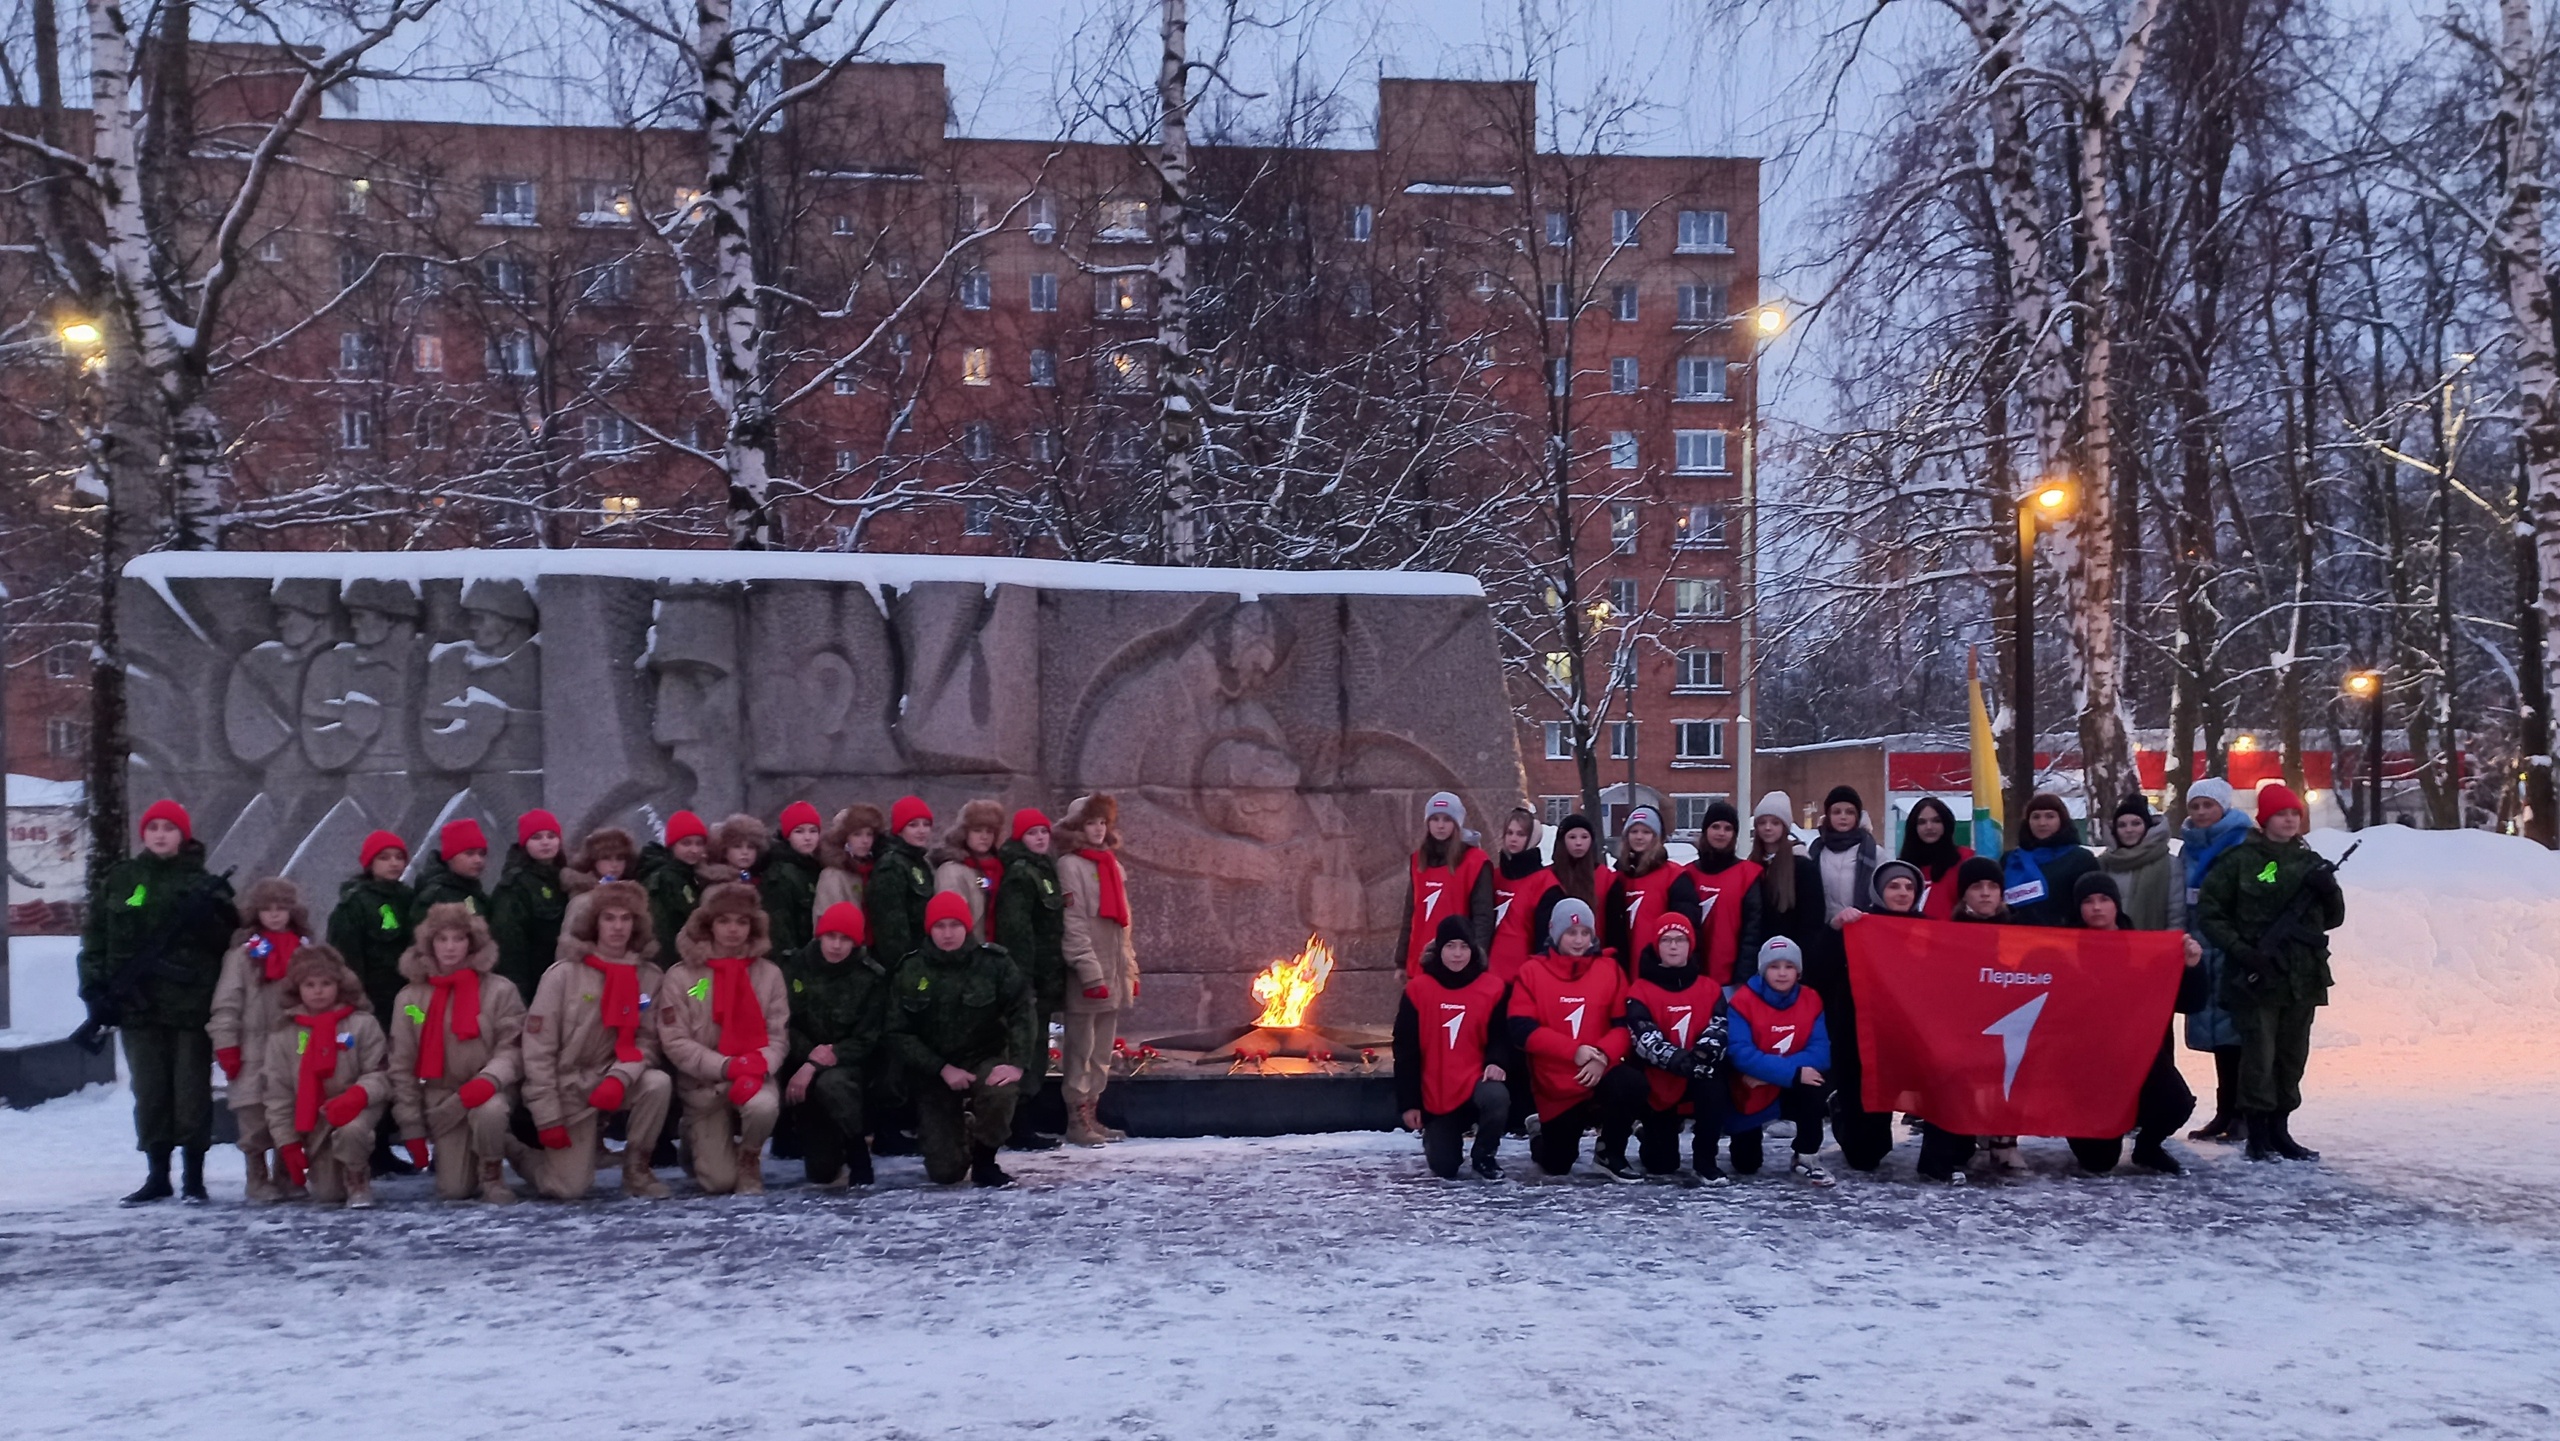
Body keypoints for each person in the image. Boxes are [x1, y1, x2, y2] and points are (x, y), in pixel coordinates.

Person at [84, 799, 238, 1206]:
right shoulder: (121, 880)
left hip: (190, 1006)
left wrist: (208, 920)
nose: (160, 834)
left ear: (182, 835)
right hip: (139, 1007)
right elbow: (95, 939)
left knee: (191, 1093)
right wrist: (94, 992)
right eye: (154, 827)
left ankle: (193, 1178)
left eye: (170, 828)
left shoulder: (207, 884)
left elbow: (229, 943)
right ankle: (157, 1176)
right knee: (150, 1092)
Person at [2197, 782, 2344, 1164]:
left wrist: (2328, 890)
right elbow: (2211, 913)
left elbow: (2333, 919)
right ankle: (2257, 1133)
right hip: (2256, 976)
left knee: (2292, 1055)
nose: (2290, 820)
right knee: (2258, 1056)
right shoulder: (2238, 861)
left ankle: (2282, 1129)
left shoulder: (2311, 862)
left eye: (2294, 814)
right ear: (2265, 820)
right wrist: (2243, 952)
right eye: (2282, 814)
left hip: (2302, 977)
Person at [518, 879, 672, 1201]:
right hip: (569, 1087)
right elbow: (538, 1051)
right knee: (567, 1189)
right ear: (594, 923)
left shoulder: (649, 978)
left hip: (617, 1077)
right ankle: (520, 1155)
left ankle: (637, 1168)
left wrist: (619, 1077)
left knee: (657, 1084)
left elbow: (648, 1042)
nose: (618, 927)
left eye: (626, 918)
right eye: (609, 918)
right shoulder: (562, 974)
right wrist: (547, 1116)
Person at [883, 890, 1043, 1187]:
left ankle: (985, 1159)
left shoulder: (993, 963)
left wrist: (1017, 1063)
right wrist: (941, 1068)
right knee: (946, 1174)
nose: (947, 934)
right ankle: (963, 1129)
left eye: (954, 925)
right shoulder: (911, 969)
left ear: (966, 927)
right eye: (939, 926)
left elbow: (1023, 1011)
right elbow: (897, 1031)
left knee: (1002, 1089)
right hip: (934, 1070)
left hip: (983, 1057)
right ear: (929, 929)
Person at [386, 903, 527, 1204]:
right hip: (443, 1100)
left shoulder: (500, 990)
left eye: (459, 938)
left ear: (472, 943)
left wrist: (489, 1080)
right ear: (429, 944)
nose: (450, 947)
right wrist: (411, 1126)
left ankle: (492, 1173)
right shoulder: (410, 997)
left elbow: (513, 1049)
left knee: (489, 1111)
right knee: (455, 1190)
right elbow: (401, 1066)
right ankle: (500, 1143)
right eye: (442, 939)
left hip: (488, 1090)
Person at [656, 881, 789, 1197]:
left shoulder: (768, 974)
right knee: (718, 1183)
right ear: (708, 924)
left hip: (753, 1075)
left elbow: (778, 1037)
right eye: (724, 921)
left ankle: (749, 1158)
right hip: (706, 1085)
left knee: (764, 1108)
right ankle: (693, 1134)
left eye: (742, 922)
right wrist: (726, 1066)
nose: (733, 930)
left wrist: (756, 1066)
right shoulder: (688, 977)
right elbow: (675, 1040)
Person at [2064, 871, 2201, 1175]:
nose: (2097, 907)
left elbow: (2190, 1003)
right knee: (2097, 1161)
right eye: (2088, 901)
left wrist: (2191, 969)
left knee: (2176, 1103)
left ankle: (2148, 1147)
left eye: (2104, 899)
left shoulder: (2145, 949)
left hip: (2138, 1053)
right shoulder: (2065, 950)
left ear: (2116, 905)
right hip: (2086, 1062)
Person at [1505, 899, 1643, 1179]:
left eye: (1585, 933)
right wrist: (1574, 1051)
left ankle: (1609, 1153)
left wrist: (1603, 1056)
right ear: (1555, 933)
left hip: (1599, 1070)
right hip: (1556, 1081)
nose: (1579, 940)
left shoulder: (1610, 969)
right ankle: (1539, 1132)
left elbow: (1622, 1026)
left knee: (1632, 1083)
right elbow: (1521, 1028)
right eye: (1571, 933)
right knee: (1557, 1165)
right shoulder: (1531, 972)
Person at [261, 945, 389, 1209]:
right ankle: (311, 1168)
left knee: (352, 1131)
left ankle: (358, 1179)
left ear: (339, 985)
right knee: (329, 1194)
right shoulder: (284, 1034)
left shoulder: (362, 1023)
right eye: (309, 984)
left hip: (355, 1108)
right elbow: (278, 1094)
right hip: (316, 1119)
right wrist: (288, 1143)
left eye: (326, 983)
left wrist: (357, 1095)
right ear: (298, 989)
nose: (318, 991)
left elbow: (381, 1073)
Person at [1915, 855, 2014, 1184]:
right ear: (1964, 895)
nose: (1985, 893)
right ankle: (1938, 1155)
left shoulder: (2019, 933)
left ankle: (2003, 1139)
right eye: (1976, 887)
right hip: (1959, 1034)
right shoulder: (1948, 935)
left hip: (2005, 1029)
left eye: (1992, 887)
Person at [208, 877, 308, 1204]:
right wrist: (226, 1044)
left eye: (282, 908)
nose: (276, 915)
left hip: (294, 1049)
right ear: (256, 913)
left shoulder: (304, 951)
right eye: (268, 909)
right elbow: (227, 1002)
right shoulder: (243, 955)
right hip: (252, 1049)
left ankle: (286, 1173)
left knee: (291, 1115)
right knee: (254, 1119)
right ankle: (256, 1176)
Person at [1393, 916, 1514, 1180]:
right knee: (1444, 1166)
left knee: (1497, 1096)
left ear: (1473, 950)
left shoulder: (1493, 988)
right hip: (1435, 1091)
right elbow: (1405, 1051)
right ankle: (1437, 1136)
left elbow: (1501, 1035)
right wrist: (1409, 1104)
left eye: (1463, 946)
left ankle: (1484, 1155)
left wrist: (1496, 1061)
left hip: (1475, 1083)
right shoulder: (1418, 990)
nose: (1457, 954)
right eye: (1450, 946)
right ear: (1439, 950)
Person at [782, 903, 891, 1188]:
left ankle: (857, 1149)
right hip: (799, 1069)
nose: (837, 946)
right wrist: (808, 1056)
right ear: (820, 936)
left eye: (845, 939)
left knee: (833, 1083)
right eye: (831, 937)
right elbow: (783, 1023)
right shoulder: (795, 967)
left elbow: (870, 1037)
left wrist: (823, 1058)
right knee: (822, 1173)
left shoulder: (870, 977)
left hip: (848, 1070)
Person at [1617, 913, 1729, 1181]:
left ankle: (1705, 1159)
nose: (1674, 946)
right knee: (1661, 1164)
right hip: (1660, 1078)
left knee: (1715, 1083)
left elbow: (1720, 1027)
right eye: (1666, 940)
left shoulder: (1710, 987)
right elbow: (1644, 1038)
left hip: (1699, 1073)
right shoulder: (1640, 990)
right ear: (1657, 946)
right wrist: (1680, 1060)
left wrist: (1703, 1054)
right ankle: (1648, 1132)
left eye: (1680, 939)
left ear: (1691, 945)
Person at [1056, 794, 1137, 1147]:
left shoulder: (1112, 866)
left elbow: (1125, 928)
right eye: (1091, 823)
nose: (1098, 829)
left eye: (1102, 823)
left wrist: (1129, 972)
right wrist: (1090, 973)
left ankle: (1093, 1112)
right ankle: (1076, 1119)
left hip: (1114, 971)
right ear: (1077, 828)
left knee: (1102, 1051)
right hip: (1088, 974)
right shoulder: (1070, 866)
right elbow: (1072, 925)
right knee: (1080, 1049)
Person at [1722, 936, 1835, 1186]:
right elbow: (1740, 1053)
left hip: (1775, 1082)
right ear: (1763, 970)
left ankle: (1806, 1155)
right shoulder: (1742, 1001)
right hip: (1751, 1090)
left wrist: (1776, 1073)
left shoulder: (1812, 998)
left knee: (1814, 1081)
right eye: (1774, 966)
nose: (1782, 973)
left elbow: (1820, 1052)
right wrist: (1791, 1071)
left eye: (1789, 966)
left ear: (1798, 971)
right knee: (1746, 1165)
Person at [2177, 778, 2252, 1142]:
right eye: (2196, 806)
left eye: (2209, 805)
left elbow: (2265, 879)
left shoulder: (2244, 842)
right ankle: (2224, 1112)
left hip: (2234, 947)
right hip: (2199, 951)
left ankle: (2243, 1112)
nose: (2202, 812)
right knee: (2218, 1036)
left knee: (2237, 1034)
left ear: (2224, 807)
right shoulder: (2186, 850)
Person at [1396, 792, 1495, 976]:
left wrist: (1477, 959)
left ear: (1457, 823)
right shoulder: (1419, 860)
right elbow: (1411, 911)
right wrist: (1401, 961)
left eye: (1447, 819)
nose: (1440, 825)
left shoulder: (1475, 861)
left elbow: (1483, 917)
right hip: (1419, 960)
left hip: (1457, 962)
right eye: (1434, 819)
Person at [328, 829, 417, 1033]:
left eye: (399, 857)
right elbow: (346, 956)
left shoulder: (409, 897)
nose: (394, 863)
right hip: (375, 997)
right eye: (384, 858)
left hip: (408, 994)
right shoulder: (355, 904)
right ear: (370, 863)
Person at [1736, 793, 1823, 985]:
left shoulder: (1802, 867)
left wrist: (1801, 967)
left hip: (1790, 965)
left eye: (1775, 822)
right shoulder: (1751, 866)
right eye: (1762, 822)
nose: (1768, 828)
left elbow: (1812, 923)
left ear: (1785, 827)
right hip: (1758, 963)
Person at [1601, 806, 1702, 967]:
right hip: (1622, 968)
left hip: (1659, 968)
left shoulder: (1674, 876)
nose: (1639, 837)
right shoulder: (1619, 877)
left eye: (1646, 832)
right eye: (1634, 832)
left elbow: (1687, 927)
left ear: (1657, 837)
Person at [487, 809, 570, 1002]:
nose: (545, 842)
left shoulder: (565, 878)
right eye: (536, 837)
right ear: (525, 843)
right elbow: (508, 944)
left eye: (551, 836)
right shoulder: (515, 885)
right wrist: (518, 994)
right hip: (533, 984)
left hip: (561, 981)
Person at [1687, 801, 1761, 986]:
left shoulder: (1748, 875)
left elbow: (1752, 934)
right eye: (1715, 826)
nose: (1721, 833)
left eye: (1728, 828)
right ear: (1705, 831)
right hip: (1692, 979)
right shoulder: (1686, 875)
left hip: (1731, 980)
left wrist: (1742, 978)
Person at [1526, 813, 1614, 959]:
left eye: (1584, 837)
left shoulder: (1606, 878)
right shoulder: (1546, 878)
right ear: (1562, 841)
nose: (1578, 843)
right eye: (1572, 837)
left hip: (1594, 959)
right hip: (1553, 959)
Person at [2002, 793, 2096, 928]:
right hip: (2016, 940)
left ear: (2062, 820)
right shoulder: (2011, 859)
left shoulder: (2080, 859)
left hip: (2065, 939)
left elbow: (2092, 904)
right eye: (2036, 817)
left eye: (2050, 816)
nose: (2042, 823)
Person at [2097, 793, 2185, 933]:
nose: (2129, 830)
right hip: (2110, 943)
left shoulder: (2169, 864)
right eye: (2122, 825)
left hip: (2152, 946)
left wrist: (2169, 946)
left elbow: (2175, 914)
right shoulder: (2104, 863)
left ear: (2147, 826)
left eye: (2136, 823)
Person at [867, 796, 939, 966]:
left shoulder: (920, 862)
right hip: (906, 962)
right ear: (899, 830)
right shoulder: (891, 865)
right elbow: (889, 927)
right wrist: (903, 965)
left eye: (926, 824)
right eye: (913, 825)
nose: (921, 830)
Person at [1485, 808, 1555, 981]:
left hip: (1522, 976)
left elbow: (1544, 939)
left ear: (1531, 839)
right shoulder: (1494, 876)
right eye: (1509, 833)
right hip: (1488, 974)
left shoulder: (1546, 883)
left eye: (1521, 834)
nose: (1513, 838)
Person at [637, 810, 714, 956]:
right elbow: (686, 918)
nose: (694, 850)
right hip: (672, 955)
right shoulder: (669, 877)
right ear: (673, 846)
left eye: (699, 843)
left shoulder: (684, 873)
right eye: (686, 843)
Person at [931, 798, 1008, 940]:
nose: (984, 836)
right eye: (977, 830)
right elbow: (951, 921)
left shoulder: (996, 868)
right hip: (968, 952)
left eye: (989, 831)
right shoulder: (951, 872)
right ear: (964, 833)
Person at [761, 801, 826, 957]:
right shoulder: (780, 874)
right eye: (799, 831)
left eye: (813, 831)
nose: (807, 838)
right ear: (787, 836)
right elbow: (779, 930)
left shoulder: (815, 867)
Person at [1897, 796, 1974, 919]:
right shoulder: (1902, 867)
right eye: (1922, 822)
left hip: (1954, 934)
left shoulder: (1966, 859)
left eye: (1936, 821)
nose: (1929, 827)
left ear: (1946, 823)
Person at [815, 803, 887, 922]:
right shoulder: (833, 875)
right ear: (844, 838)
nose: (865, 841)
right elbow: (828, 922)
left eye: (869, 834)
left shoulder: (875, 870)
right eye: (857, 834)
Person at [409, 817, 491, 923]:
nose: (478, 860)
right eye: (469, 853)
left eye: (482, 854)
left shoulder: (475, 894)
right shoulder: (435, 897)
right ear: (450, 857)